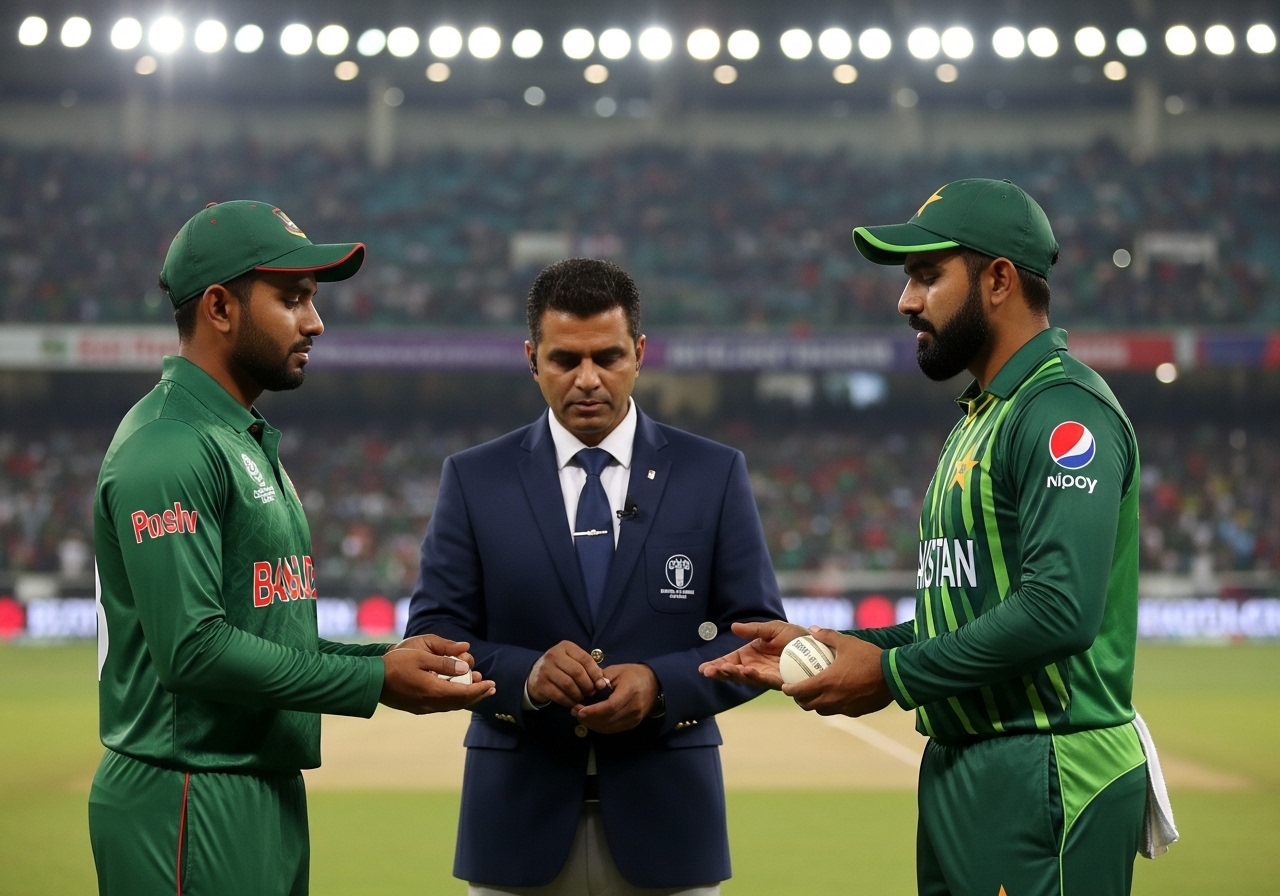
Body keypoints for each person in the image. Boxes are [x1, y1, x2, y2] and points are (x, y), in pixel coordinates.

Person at [702, 179, 1164, 896]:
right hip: (966, 763)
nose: (906, 300)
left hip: (1045, 770)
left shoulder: (1062, 414)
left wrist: (891, 676)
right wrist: (847, 645)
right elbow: (972, 612)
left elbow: (1058, 609)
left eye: (926, 276)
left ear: (1000, 280)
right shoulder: (981, 417)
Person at [90, 200, 494, 896]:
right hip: (187, 791)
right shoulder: (168, 444)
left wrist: (381, 660)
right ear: (219, 307)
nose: (316, 321)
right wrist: (374, 682)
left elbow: (261, 633)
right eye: (293, 299)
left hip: (252, 781)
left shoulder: (234, 436)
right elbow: (193, 650)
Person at [405, 258, 786, 896]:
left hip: (670, 828)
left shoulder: (713, 473)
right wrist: (523, 675)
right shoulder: (474, 479)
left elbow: (757, 637)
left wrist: (662, 685)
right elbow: (434, 634)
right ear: (532, 358)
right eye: (564, 360)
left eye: (607, 357)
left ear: (639, 353)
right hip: (515, 829)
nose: (587, 380)